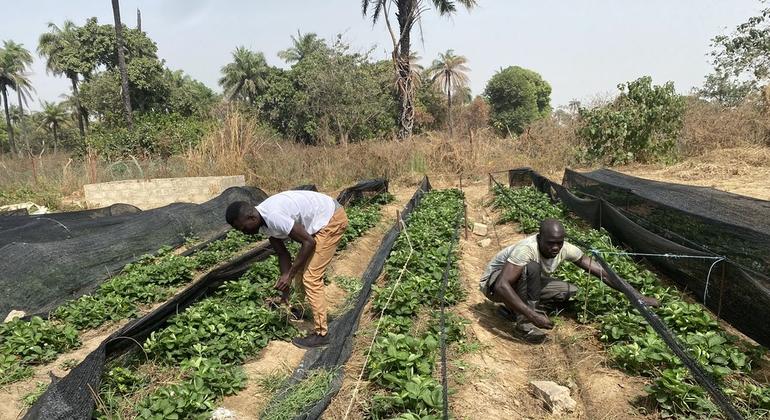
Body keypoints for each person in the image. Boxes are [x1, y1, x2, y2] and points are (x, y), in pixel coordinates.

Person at [479, 218, 659, 343]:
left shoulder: (566, 248)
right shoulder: (526, 249)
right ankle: (524, 325)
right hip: (494, 285)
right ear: (539, 238)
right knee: (531, 268)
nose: (555, 247)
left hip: (519, 283)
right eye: (550, 243)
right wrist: (532, 315)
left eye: (559, 242)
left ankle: (513, 309)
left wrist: (637, 296)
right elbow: (503, 285)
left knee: (568, 291)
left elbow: (603, 273)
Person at [225, 190, 348, 349]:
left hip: (331, 219)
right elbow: (282, 253)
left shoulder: (273, 216)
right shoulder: (261, 224)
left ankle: (321, 334)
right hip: (320, 221)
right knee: (299, 270)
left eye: (242, 228)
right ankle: (299, 309)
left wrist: (289, 275)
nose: (244, 232)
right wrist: (285, 291)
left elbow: (308, 242)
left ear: (251, 218)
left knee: (311, 277)